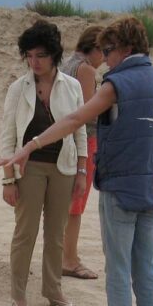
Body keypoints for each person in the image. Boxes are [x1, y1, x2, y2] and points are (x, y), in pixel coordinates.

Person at [0, 16, 153, 306]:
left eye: (108, 51)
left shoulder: (116, 83)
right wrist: (147, 171)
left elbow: (74, 122)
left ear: (125, 48)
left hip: (117, 188)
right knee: (146, 271)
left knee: (118, 270)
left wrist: (32, 146)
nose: (104, 59)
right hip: (149, 188)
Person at [0, 19, 88, 306]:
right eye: (29, 55)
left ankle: (53, 290)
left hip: (64, 167)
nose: (34, 62)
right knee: (25, 233)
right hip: (29, 168)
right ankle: (18, 294)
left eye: (41, 55)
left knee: (56, 233)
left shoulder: (72, 86)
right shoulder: (18, 88)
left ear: (54, 54)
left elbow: (79, 130)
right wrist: (8, 180)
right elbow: (8, 136)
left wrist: (82, 172)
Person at [60, 26, 105, 280]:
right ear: (95, 48)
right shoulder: (85, 69)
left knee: (65, 202)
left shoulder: (68, 64)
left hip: (64, 140)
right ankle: (69, 260)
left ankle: (61, 256)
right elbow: (90, 112)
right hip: (84, 141)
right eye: (104, 50)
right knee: (76, 203)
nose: (105, 58)